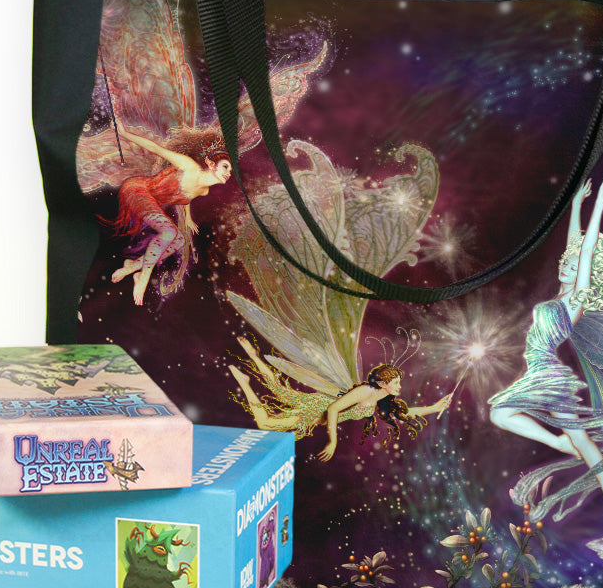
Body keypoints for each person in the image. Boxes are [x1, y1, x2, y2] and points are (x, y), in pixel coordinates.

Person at [488, 176, 603, 521]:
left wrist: (599, 205)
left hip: (546, 373)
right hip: (538, 371)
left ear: (583, 275)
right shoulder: (560, 295)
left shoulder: (576, 300)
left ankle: (588, 468)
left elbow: (586, 250)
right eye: (565, 262)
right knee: (573, 435)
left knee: (502, 414)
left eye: (573, 266)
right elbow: (575, 245)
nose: (566, 265)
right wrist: (577, 204)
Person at [229, 337, 452, 461]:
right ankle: (247, 378)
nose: (399, 386)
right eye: (395, 382)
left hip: (317, 416)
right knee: (266, 422)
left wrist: (434, 408)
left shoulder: (381, 399)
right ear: (384, 384)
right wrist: (333, 441)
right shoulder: (365, 391)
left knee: (279, 392)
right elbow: (334, 409)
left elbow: (404, 412)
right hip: (316, 409)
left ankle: (251, 365)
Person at [107, 126, 233, 304]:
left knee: (179, 241)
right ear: (211, 164)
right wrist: (124, 133)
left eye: (230, 171)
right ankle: (143, 275)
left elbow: (186, 197)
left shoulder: (203, 191)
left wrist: (187, 217)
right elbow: (155, 148)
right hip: (137, 190)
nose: (228, 173)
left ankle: (133, 265)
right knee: (169, 233)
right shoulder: (189, 166)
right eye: (225, 166)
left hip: (150, 201)